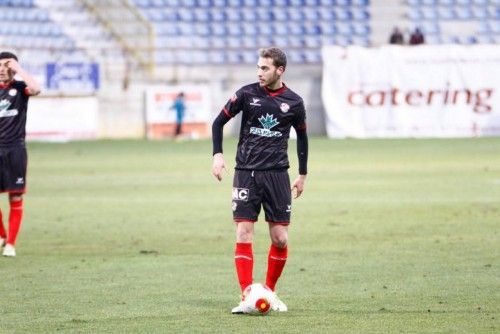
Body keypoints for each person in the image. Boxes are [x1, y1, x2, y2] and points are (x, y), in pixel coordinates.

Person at [211, 47, 308, 314]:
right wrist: (218, 155)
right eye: (258, 67)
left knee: (280, 238)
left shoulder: (295, 102)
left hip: (278, 175)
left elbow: (302, 138)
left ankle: (268, 292)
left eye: (264, 68)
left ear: (280, 70)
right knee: (243, 231)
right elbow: (217, 123)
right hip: (246, 172)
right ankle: (246, 296)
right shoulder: (246, 94)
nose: (259, 73)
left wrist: (302, 174)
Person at [0, 51, 41, 257]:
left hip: (15, 149)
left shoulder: (19, 87)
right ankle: (1, 234)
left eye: (6, 66)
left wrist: (19, 69)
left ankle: (11, 245)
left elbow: (36, 88)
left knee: (15, 197)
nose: (2, 70)